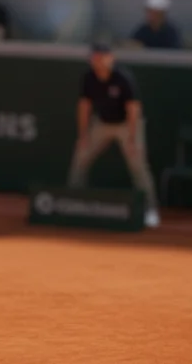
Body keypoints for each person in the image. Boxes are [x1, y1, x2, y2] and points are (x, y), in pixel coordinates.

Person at [68, 43, 160, 229]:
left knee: (138, 166)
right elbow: (84, 107)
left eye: (102, 57)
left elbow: (133, 109)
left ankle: (150, 210)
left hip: (127, 124)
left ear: (111, 58)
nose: (98, 61)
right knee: (80, 157)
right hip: (102, 123)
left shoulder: (123, 78)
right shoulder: (88, 78)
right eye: (95, 58)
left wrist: (133, 139)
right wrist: (83, 135)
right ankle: (71, 203)